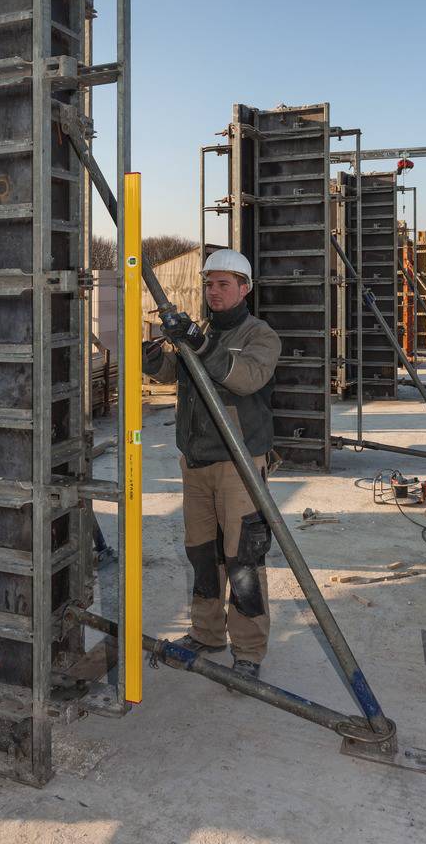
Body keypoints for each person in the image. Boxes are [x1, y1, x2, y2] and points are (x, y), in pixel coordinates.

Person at [142, 249, 281, 680]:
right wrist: (153, 356)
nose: (213, 291)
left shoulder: (261, 335)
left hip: (238, 463)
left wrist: (201, 345)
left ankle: (249, 651)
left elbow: (244, 378)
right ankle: (206, 634)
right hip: (196, 461)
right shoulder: (199, 331)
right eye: (208, 283)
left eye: (223, 284)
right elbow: (175, 373)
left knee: (243, 560)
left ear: (245, 288)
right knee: (202, 555)